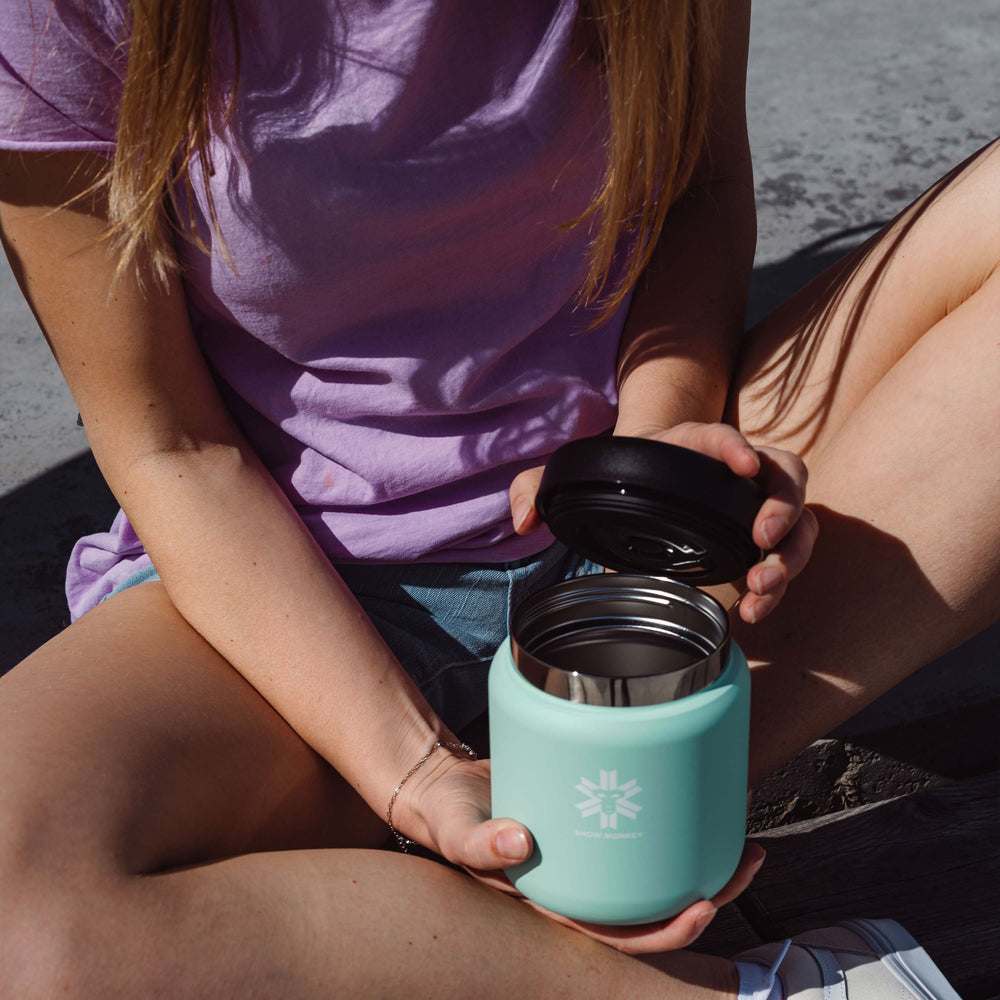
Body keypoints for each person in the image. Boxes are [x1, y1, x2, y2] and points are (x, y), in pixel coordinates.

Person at [0, 0, 992, 995]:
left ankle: (578, 844)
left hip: (637, 520)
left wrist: (660, 444)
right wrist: (414, 771)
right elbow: (171, 443)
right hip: (292, 601)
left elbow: (698, 186)